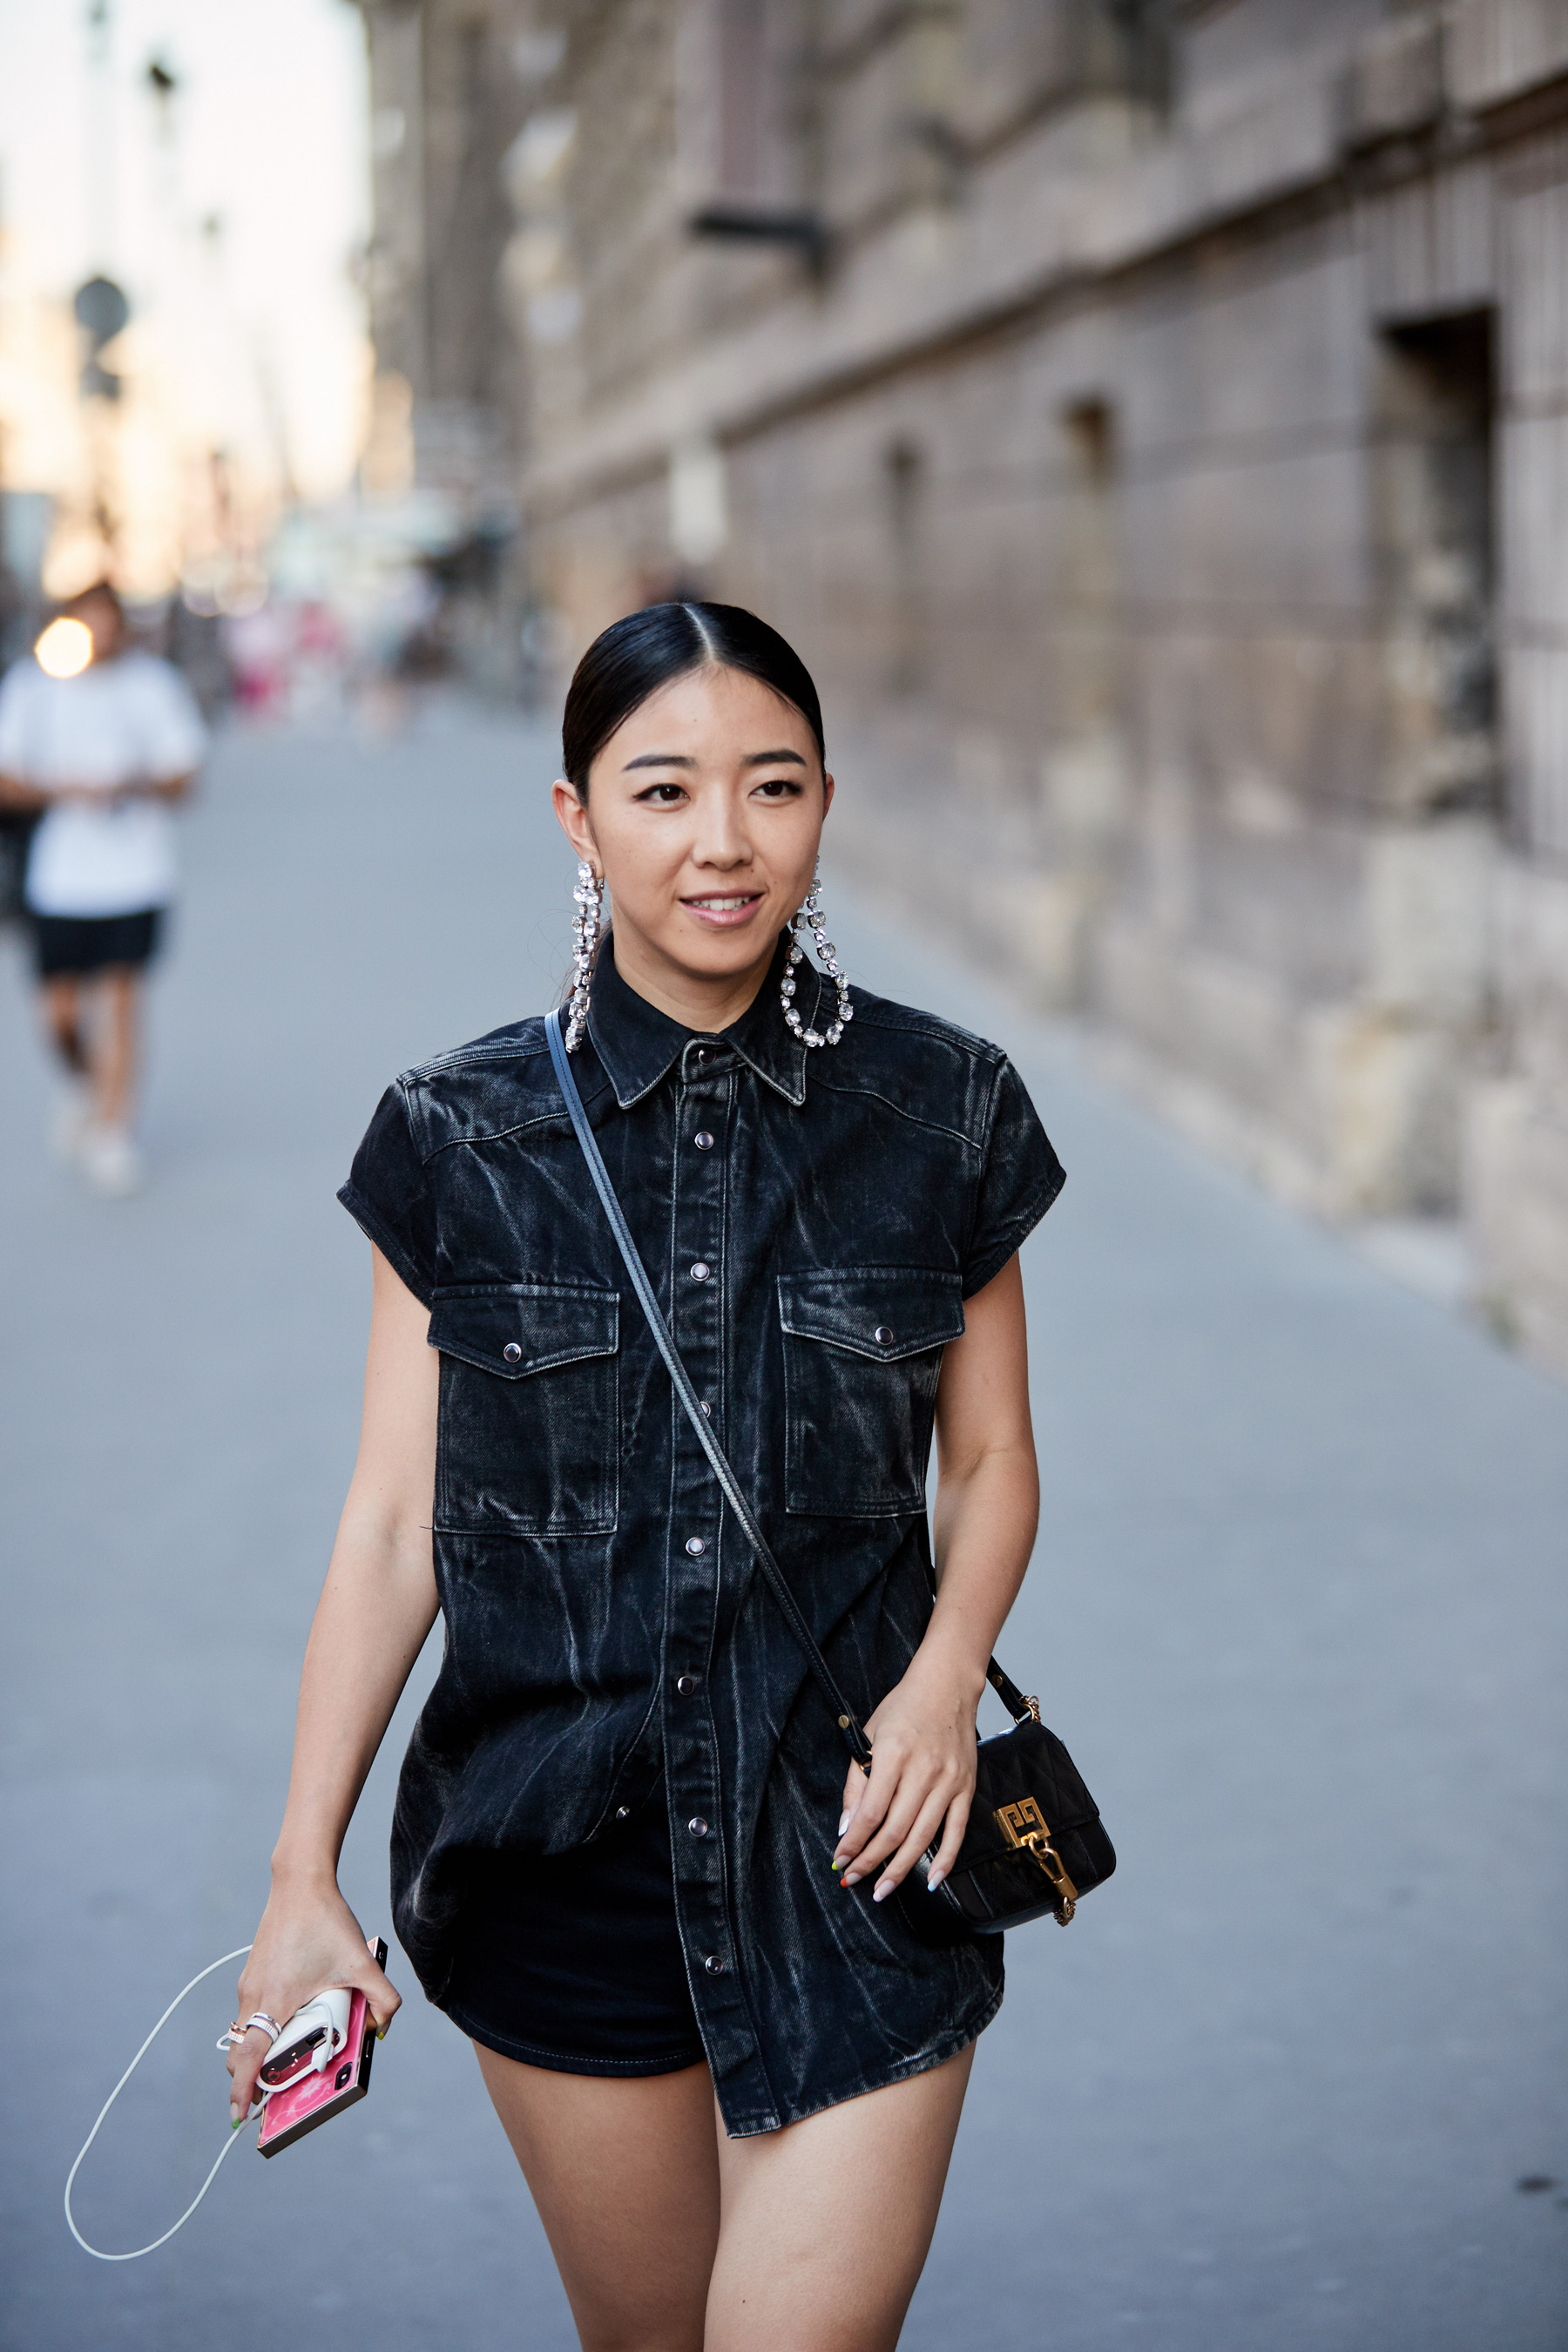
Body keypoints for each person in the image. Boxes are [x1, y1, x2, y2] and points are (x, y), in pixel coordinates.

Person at [227, 604, 1064, 2351]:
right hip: (559, 1862)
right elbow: (395, 1527)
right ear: (575, 817)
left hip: (857, 1849)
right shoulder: (454, 1138)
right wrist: (301, 1871)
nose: (722, 842)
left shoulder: (942, 1111)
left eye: (771, 787)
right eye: (664, 788)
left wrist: (935, 1691)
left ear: (825, 802)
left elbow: (989, 1462)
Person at [0, 581, 206, 1195]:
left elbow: (185, 775)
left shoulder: (151, 686)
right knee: (59, 1012)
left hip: (135, 874)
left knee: (121, 1000)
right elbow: (8, 776)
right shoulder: (35, 686)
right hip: (60, 879)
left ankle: (114, 1128)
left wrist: (133, 785)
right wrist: (66, 789)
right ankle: (84, 1085)